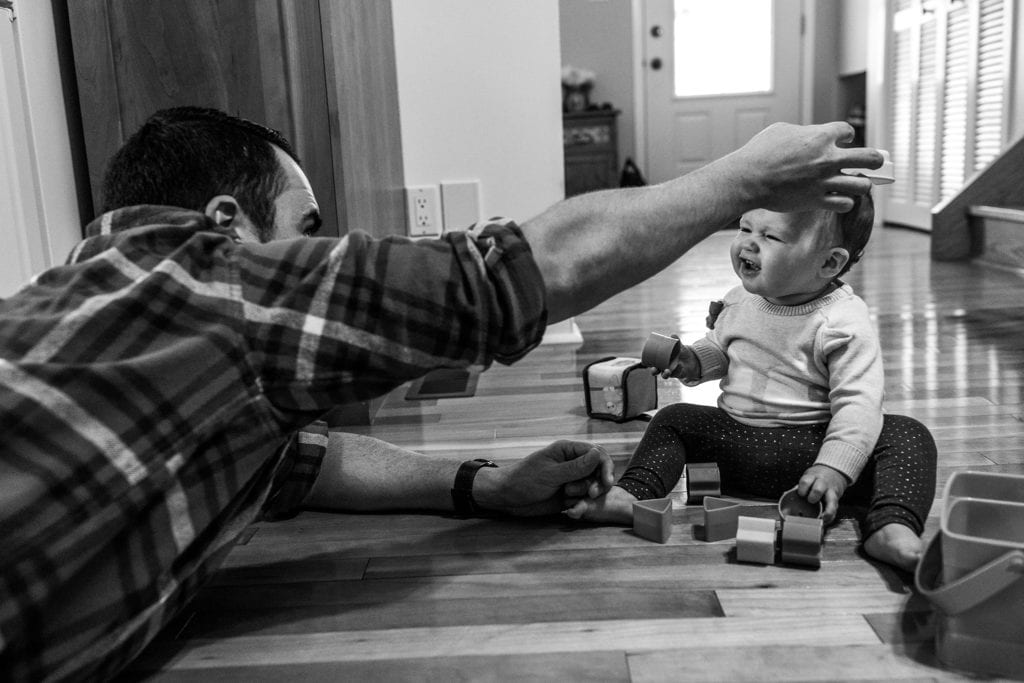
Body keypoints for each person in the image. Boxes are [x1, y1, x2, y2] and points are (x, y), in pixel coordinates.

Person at [0, 105, 882, 681]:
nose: (318, 250)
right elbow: (513, 277)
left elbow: (296, 463)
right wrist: (744, 179)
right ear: (228, 225)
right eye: (306, 231)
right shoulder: (210, 281)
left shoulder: (95, 312)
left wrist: (481, 485)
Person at [566, 193, 938, 572]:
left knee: (907, 434)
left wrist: (834, 469)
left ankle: (890, 526)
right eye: (745, 227)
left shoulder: (842, 321)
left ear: (829, 262)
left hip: (810, 454)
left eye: (771, 236)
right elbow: (720, 350)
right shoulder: (739, 300)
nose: (748, 243)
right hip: (738, 444)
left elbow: (858, 405)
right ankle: (634, 493)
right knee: (673, 418)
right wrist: (691, 361)